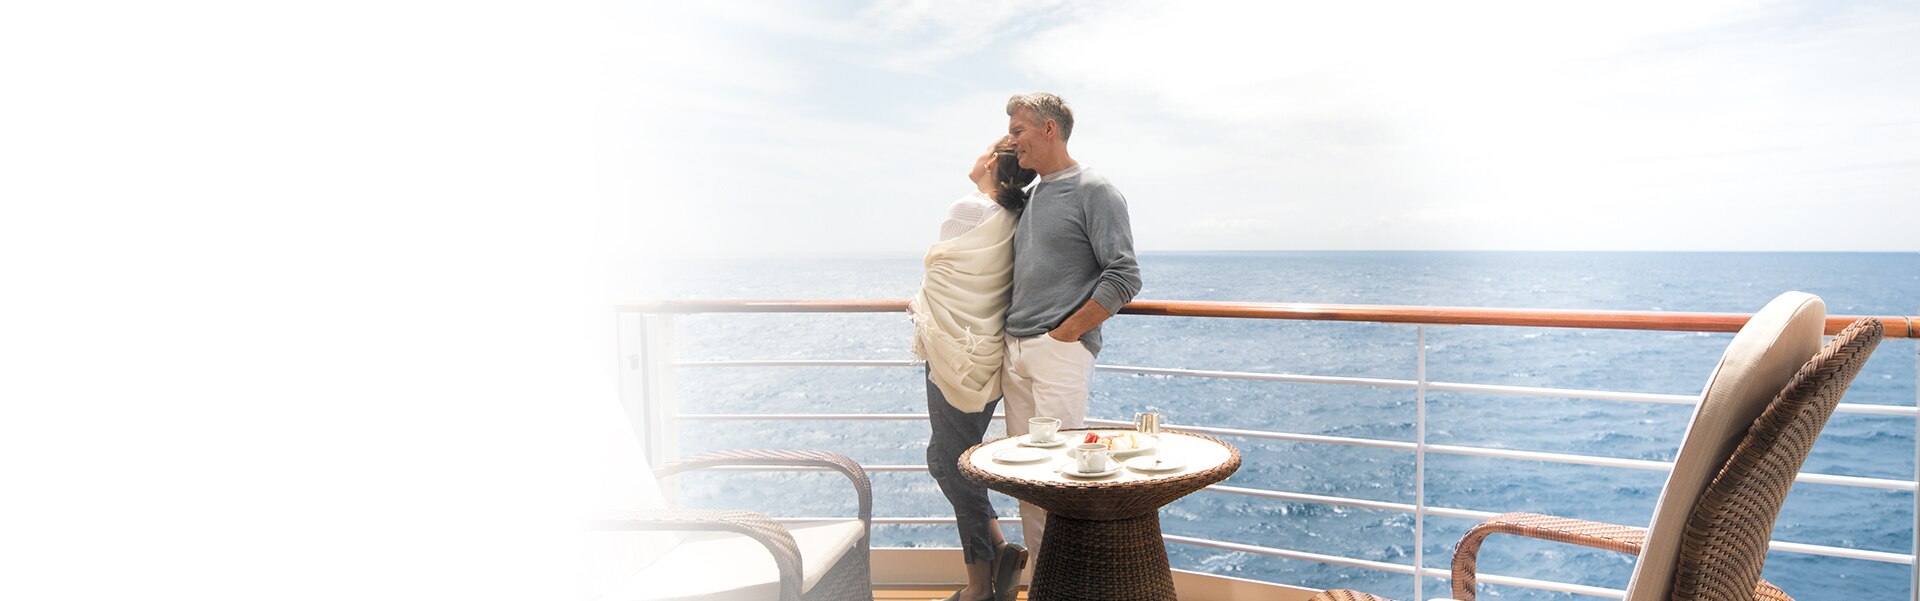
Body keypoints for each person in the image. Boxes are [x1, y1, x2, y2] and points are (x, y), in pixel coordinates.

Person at [999, 92, 1142, 565]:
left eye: (1018, 130)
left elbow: (1124, 276)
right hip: (1015, 351)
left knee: (1061, 477)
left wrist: (1065, 333)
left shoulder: (1093, 189)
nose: (1010, 139)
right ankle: (1045, 582)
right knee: (1028, 478)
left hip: (1056, 351)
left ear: (1049, 130)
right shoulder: (1035, 193)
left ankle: (1073, 582)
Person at [911, 136, 1037, 601]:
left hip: (952, 355)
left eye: (985, 150)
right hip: (988, 355)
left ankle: (979, 588)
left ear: (993, 165)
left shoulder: (966, 209)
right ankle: (1001, 550)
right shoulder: (1016, 218)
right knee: (943, 457)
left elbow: (942, 284)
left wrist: (922, 309)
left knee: (954, 463)